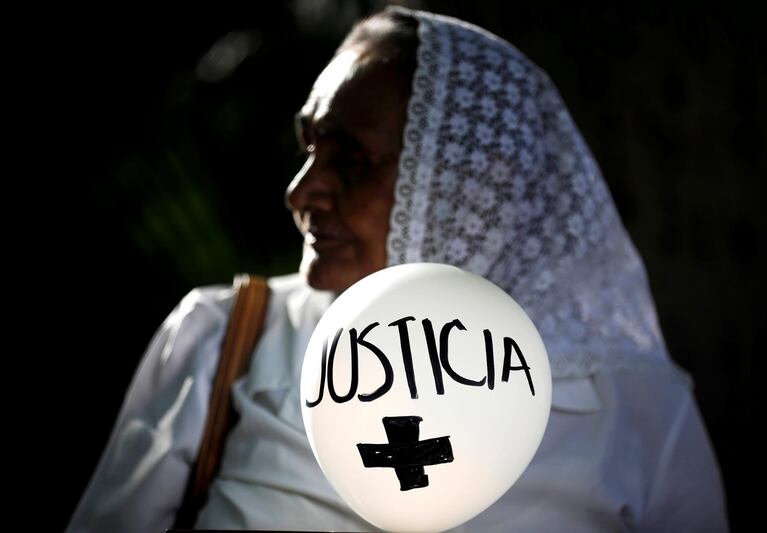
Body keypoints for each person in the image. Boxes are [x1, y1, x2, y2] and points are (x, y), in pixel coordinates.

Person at [66, 6, 729, 532]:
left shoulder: (631, 404)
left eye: (351, 160)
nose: (301, 192)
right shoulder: (222, 339)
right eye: (309, 146)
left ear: (473, 189)